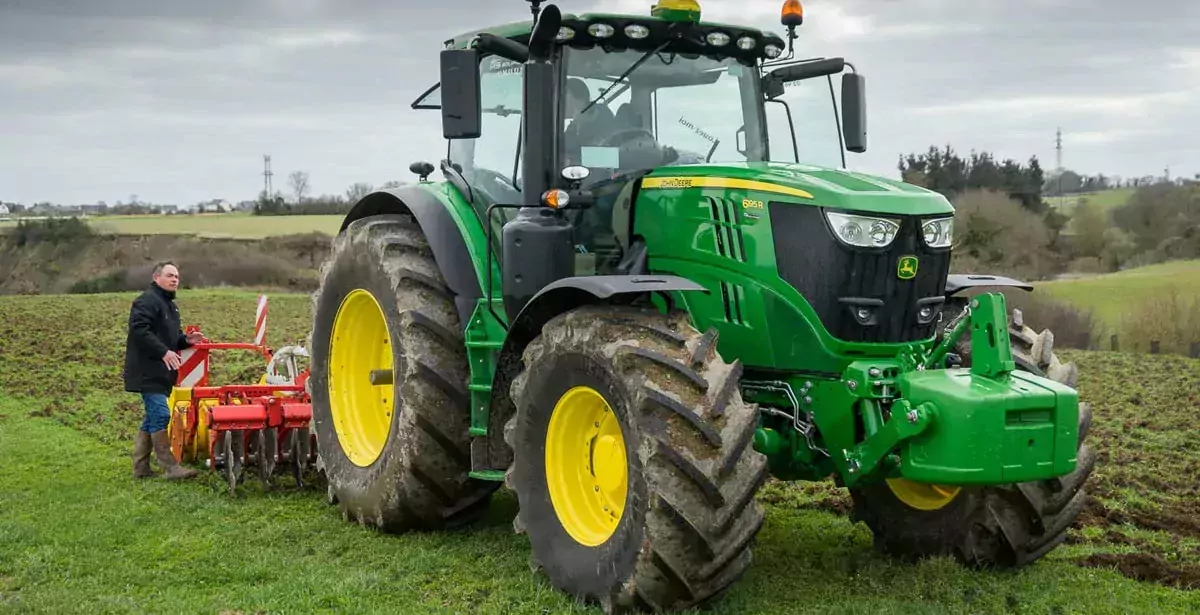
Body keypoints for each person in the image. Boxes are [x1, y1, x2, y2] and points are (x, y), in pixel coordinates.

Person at [123, 261, 202, 480]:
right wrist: (163, 352)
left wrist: (186, 340)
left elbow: (172, 338)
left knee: (152, 418)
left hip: (163, 371)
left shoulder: (170, 306)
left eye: (177, 276)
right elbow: (139, 330)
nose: (175, 279)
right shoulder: (146, 301)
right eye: (170, 275)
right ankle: (170, 467)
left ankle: (140, 468)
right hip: (147, 369)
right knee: (160, 414)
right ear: (156, 278)